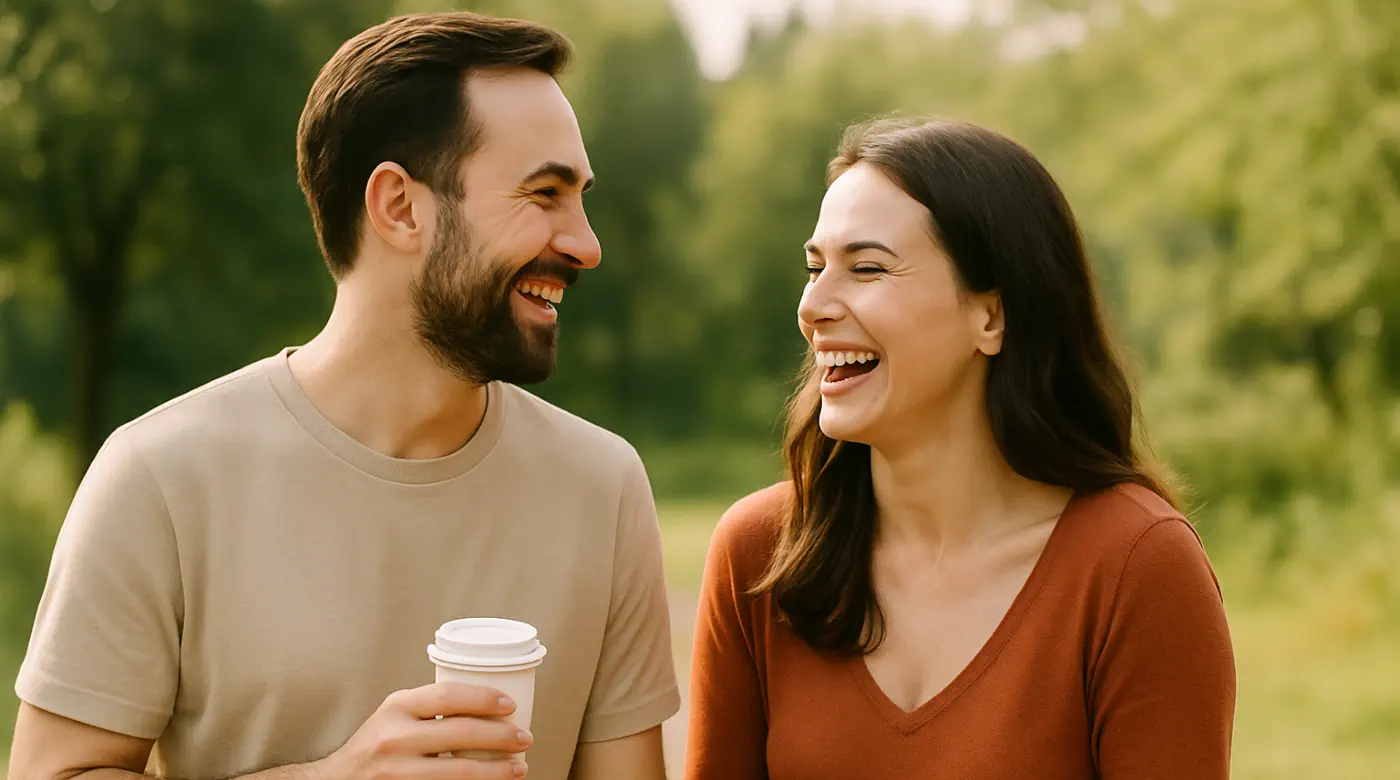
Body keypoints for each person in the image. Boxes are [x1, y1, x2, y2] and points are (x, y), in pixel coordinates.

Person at [10, 12, 678, 780]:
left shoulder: (604, 488)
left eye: (579, 197)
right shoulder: (159, 478)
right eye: (544, 193)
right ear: (398, 206)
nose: (587, 243)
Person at [684, 117, 1236, 780]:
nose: (813, 304)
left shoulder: (1137, 568)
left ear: (991, 316)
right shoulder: (758, 554)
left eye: (866, 269)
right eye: (814, 268)